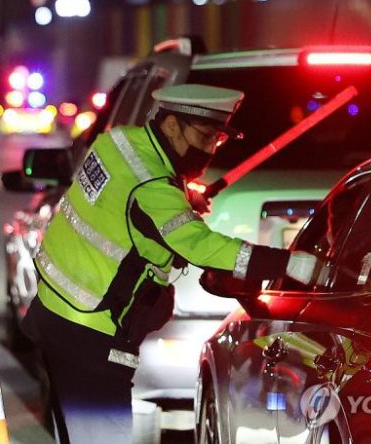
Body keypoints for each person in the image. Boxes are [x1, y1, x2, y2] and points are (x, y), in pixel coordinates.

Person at [22, 84, 292, 443]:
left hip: (55, 313)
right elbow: (201, 245)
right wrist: (286, 263)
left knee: (75, 434)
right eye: (204, 136)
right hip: (92, 334)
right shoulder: (153, 187)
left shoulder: (117, 143)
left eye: (217, 140)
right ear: (170, 125)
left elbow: (122, 200)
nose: (209, 149)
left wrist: (181, 195)